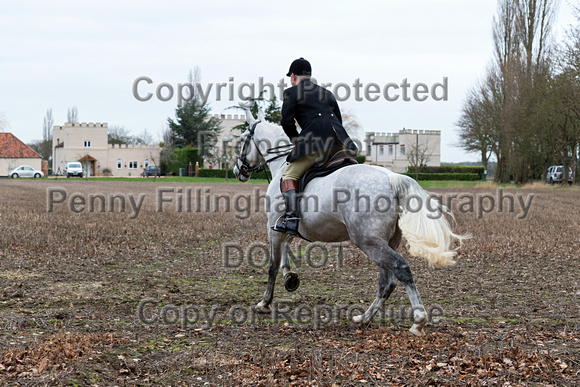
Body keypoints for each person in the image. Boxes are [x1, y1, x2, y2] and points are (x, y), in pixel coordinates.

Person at [272, 58, 358, 235]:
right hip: (341, 142)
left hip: (315, 143)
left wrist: (298, 143)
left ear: (293, 76)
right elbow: (338, 120)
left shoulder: (291, 93)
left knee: (288, 176)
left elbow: (287, 123)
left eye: (291, 77)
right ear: (309, 76)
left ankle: (292, 219)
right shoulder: (327, 93)